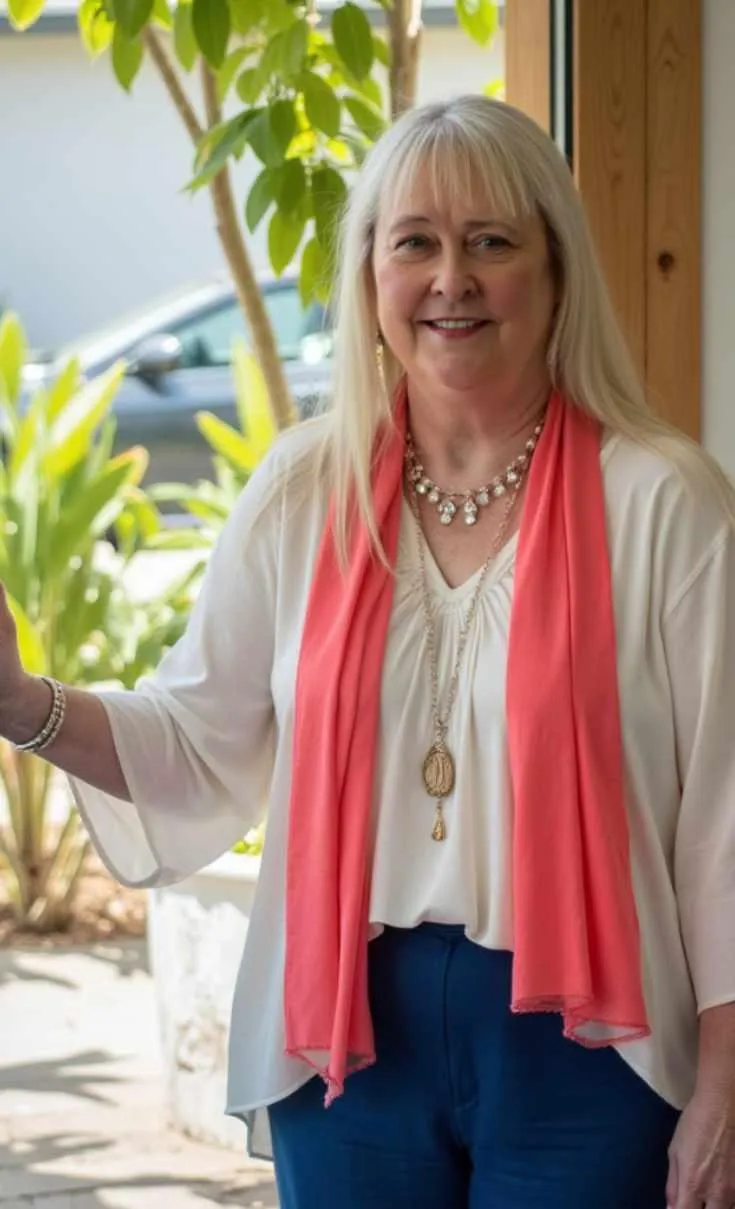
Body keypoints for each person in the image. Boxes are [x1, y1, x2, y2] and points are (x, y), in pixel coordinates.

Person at [1, 95, 734, 1209]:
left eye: (492, 241)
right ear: (368, 279)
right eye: (417, 244)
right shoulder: (303, 489)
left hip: (593, 1037)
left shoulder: (662, 498)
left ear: (556, 270)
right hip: (346, 1038)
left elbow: (723, 820)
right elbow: (197, 741)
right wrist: (19, 701)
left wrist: (728, 1074)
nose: (453, 279)